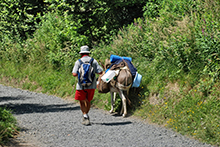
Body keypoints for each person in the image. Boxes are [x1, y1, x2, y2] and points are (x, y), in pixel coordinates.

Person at [72, 45, 103, 125]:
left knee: (82, 101)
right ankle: (86, 115)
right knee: (88, 100)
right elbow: (100, 72)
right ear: (88, 53)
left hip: (80, 85)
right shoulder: (93, 61)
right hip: (91, 85)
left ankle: (85, 115)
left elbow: (74, 74)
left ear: (81, 53)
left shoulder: (78, 62)